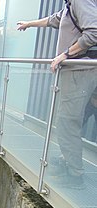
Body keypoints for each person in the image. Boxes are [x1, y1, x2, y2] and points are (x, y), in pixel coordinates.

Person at [17, 0, 97, 189]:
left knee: (67, 120)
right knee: (77, 117)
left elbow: (94, 32)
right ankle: (67, 159)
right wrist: (30, 24)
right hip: (82, 70)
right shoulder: (71, 4)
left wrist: (66, 54)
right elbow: (55, 19)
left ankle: (74, 175)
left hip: (79, 69)